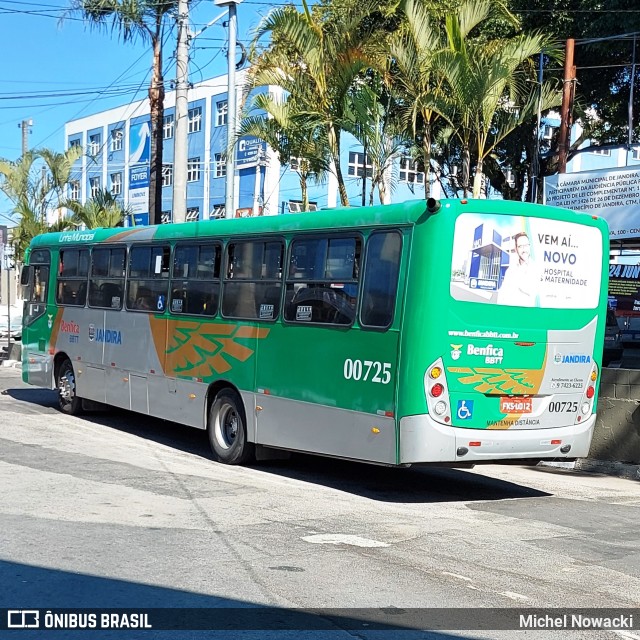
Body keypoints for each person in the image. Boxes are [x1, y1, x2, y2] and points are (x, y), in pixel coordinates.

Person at [497, 231, 539, 307]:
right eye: (520, 246)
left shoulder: (535, 268)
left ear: (529, 246)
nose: (524, 250)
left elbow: (532, 290)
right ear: (516, 249)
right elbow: (503, 292)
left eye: (526, 245)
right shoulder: (511, 269)